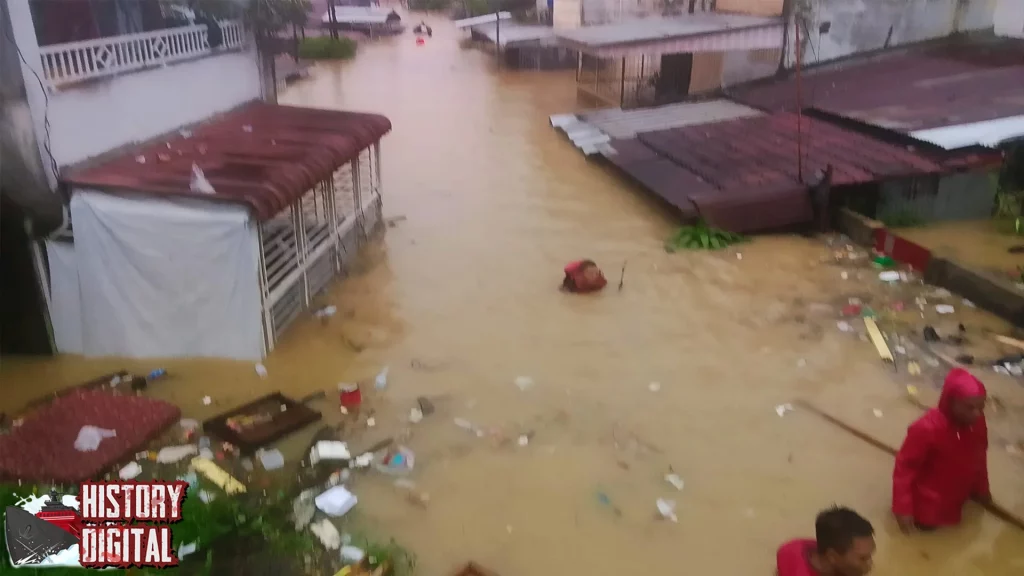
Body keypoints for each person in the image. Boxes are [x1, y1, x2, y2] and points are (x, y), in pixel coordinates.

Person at [892, 367, 990, 533]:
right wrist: (902, 509)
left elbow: (980, 458)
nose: (977, 414)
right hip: (929, 504)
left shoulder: (977, 424)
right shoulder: (926, 429)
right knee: (928, 532)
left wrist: (982, 489)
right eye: (970, 407)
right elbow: (905, 469)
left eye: (981, 408)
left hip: (957, 495)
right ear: (951, 402)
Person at [777, 506, 875, 576]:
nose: (871, 564)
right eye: (863, 558)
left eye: (870, 555)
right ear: (832, 556)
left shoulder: (793, 546)